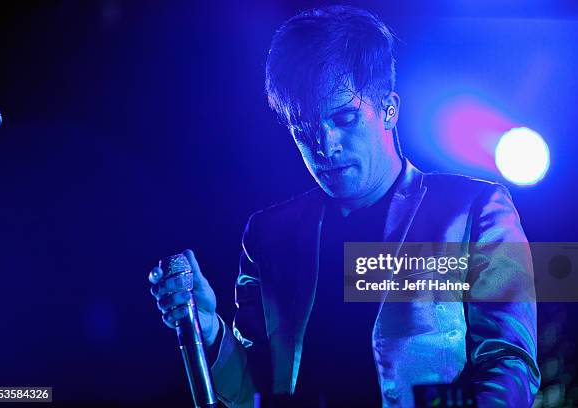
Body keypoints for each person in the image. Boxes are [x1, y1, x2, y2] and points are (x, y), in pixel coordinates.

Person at [149, 5, 540, 407]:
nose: (325, 146)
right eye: (304, 128)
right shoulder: (268, 235)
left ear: (389, 109)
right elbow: (254, 394)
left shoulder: (475, 211)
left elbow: (509, 364)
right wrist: (210, 329)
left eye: (345, 117)